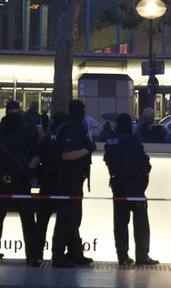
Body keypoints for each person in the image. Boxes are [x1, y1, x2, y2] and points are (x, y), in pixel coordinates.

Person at [0, 100, 41, 266]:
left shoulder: (3, 131)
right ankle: (31, 256)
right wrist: (28, 168)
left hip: (11, 177)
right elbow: (37, 154)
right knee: (24, 219)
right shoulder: (24, 130)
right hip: (12, 178)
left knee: (1, 218)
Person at [104, 113, 159, 267]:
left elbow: (108, 161)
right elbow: (144, 164)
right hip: (135, 187)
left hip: (117, 185)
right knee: (141, 222)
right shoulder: (132, 141)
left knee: (120, 223)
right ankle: (142, 256)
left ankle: (122, 257)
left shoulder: (111, 141)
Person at [51, 99, 95, 268]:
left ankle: (75, 253)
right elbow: (66, 155)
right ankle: (58, 256)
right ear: (80, 112)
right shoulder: (70, 128)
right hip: (68, 180)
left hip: (75, 180)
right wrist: (87, 149)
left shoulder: (74, 127)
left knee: (74, 219)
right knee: (65, 219)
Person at [35, 111, 69, 261]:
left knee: (41, 222)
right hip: (62, 184)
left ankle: (37, 254)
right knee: (62, 223)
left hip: (46, 183)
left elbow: (37, 157)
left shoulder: (45, 138)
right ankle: (58, 255)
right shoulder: (65, 139)